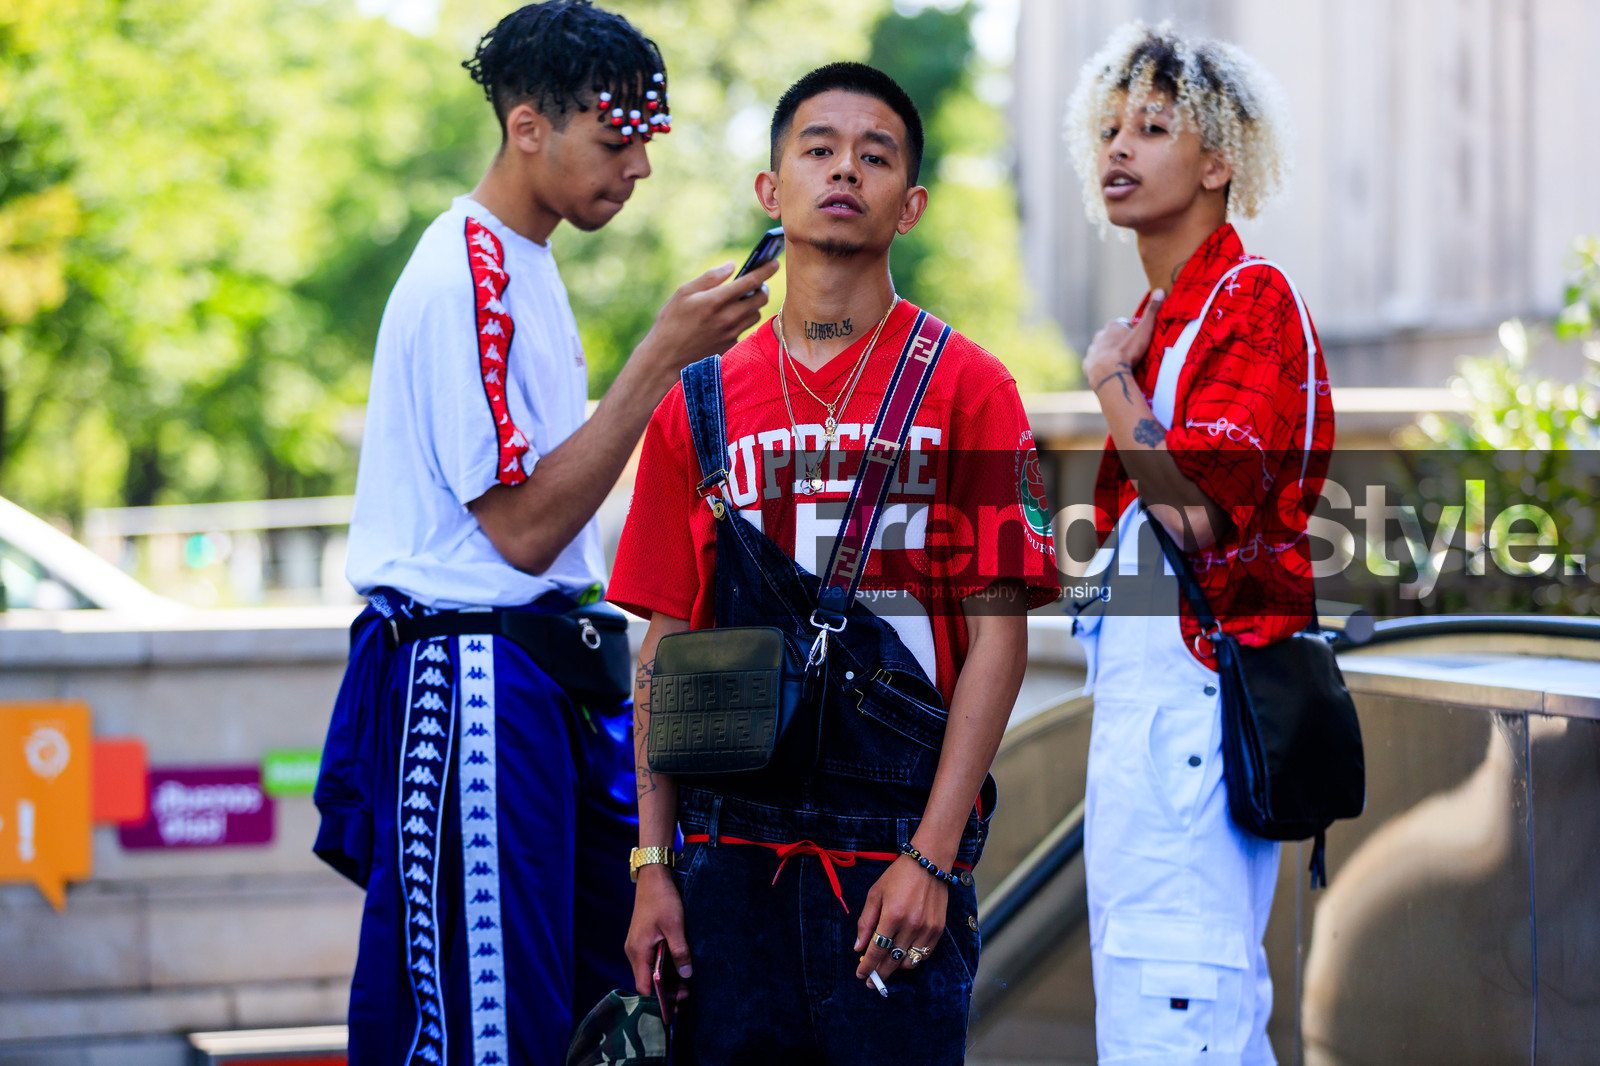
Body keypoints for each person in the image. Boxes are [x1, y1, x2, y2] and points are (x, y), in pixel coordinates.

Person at [310, 2, 779, 1063]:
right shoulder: (468, 269)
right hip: (477, 677)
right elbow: (522, 529)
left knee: (579, 1012)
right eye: (616, 142)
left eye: (643, 144)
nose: (638, 170)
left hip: (536, 680)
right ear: (529, 128)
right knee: (491, 1026)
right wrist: (660, 357)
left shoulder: (524, 264)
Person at [607, 62, 1062, 1064]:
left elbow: (998, 643)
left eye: (875, 154)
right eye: (817, 148)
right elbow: (664, 647)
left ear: (912, 202)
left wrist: (931, 859)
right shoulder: (700, 402)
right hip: (724, 865)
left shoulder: (971, 389)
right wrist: (651, 864)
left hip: (892, 856)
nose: (844, 169)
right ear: (771, 191)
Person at [1063, 21, 1335, 1065]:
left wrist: (1109, 384)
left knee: (1185, 1018)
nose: (1118, 149)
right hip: (1145, 720)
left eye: (1154, 127)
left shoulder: (1245, 299)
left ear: (1219, 160)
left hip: (1189, 718)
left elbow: (1189, 512)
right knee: (1149, 1013)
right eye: (1109, 129)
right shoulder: (1159, 318)